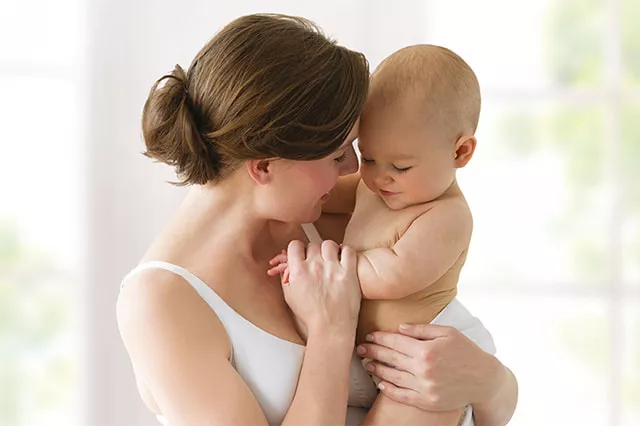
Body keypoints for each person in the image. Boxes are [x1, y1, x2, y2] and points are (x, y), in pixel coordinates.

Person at [116, 13, 518, 426]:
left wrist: (489, 382)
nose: (354, 170)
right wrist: (331, 331)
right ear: (266, 167)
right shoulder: (161, 304)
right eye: (337, 154)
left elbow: (476, 402)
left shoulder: (320, 219)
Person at [268, 44, 505, 425]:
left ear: (460, 152)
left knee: (415, 408)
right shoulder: (375, 185)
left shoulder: (445, 216)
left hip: (424, 357)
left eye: (401, 165)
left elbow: (392, 276)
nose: (380, 176)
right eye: (371, 157)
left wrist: (321, 264)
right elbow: (320, 197)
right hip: (375, 354)